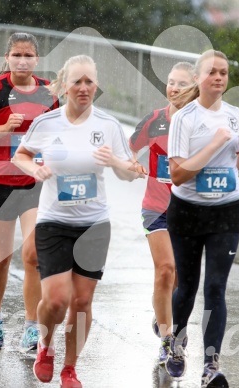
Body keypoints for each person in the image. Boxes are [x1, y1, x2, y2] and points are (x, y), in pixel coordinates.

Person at [12, 55, 145, 388]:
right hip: (54, 221)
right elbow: (21, 155)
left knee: (82, 301)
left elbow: (130, 174)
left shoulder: (108, 125)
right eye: (77, 82)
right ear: (64, 86)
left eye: (89, 82)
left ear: (96, 85)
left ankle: (70, 369)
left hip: (94, 224)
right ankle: (45, 346)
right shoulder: (48, 123)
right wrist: (35, 169)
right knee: (56, 300)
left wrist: (115, 160)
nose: (83, 88)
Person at [164, 49, 239, 387]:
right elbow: (177, 174)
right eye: (212, 72)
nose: (218, 78)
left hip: (227, 211)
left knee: (216, 287)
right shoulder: (184, 117)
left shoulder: (236, 115)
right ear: (198, 78)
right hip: (188, 212)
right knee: (187, 287)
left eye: (223, 72)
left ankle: (210, 366)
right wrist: (214, 144)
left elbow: (235, 168)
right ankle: (175, 343)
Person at [0, 32, 59, 352]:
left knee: (33, 256)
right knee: (1, 257)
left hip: (35, 183)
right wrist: (3, 130)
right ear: (7, 57)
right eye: (16, 55)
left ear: (37, 60)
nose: (22, 60)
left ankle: (32, 327)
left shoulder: (49, 92)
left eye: (28, 55)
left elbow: (63, 132)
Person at [129, 62, 196, 365]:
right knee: (165, 270)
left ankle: (165, 316)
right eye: (171, 82)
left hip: (190, 210)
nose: (174, 88)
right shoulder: (155, 119)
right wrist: (133, 162)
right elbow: (128, 146)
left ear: (195, 88)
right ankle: (169, 342)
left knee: (181, 279)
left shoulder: (200, 123)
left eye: (181, 84)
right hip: (155, 207)